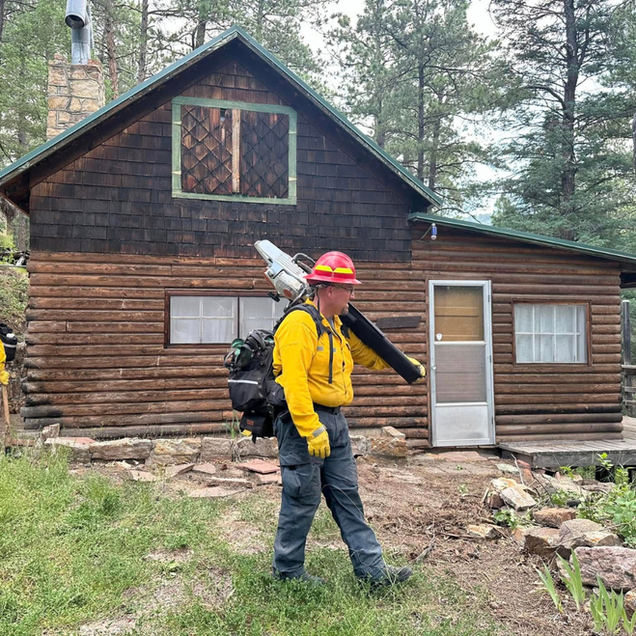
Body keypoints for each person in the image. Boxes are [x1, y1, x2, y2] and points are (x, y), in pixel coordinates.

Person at [271, 250, 425, 586]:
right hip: (304, 425)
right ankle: (287, 572)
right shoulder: (300, 324)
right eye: (349, 289)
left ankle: (372, 572)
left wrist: (403, 363)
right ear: (328, 289)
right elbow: (293, 382)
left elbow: (368, 355)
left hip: (336, 424)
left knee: (347, 497)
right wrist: (310, 428)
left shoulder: (335, 325)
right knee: (301, 500)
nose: (352, 295)